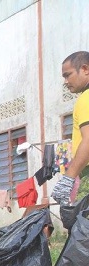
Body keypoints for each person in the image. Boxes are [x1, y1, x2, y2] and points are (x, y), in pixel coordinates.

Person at [54, 51, 89, 205]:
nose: (66, 81)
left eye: (68, 75)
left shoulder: (86, 99)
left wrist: (68, 178)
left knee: (82, 226)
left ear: (85, 69)